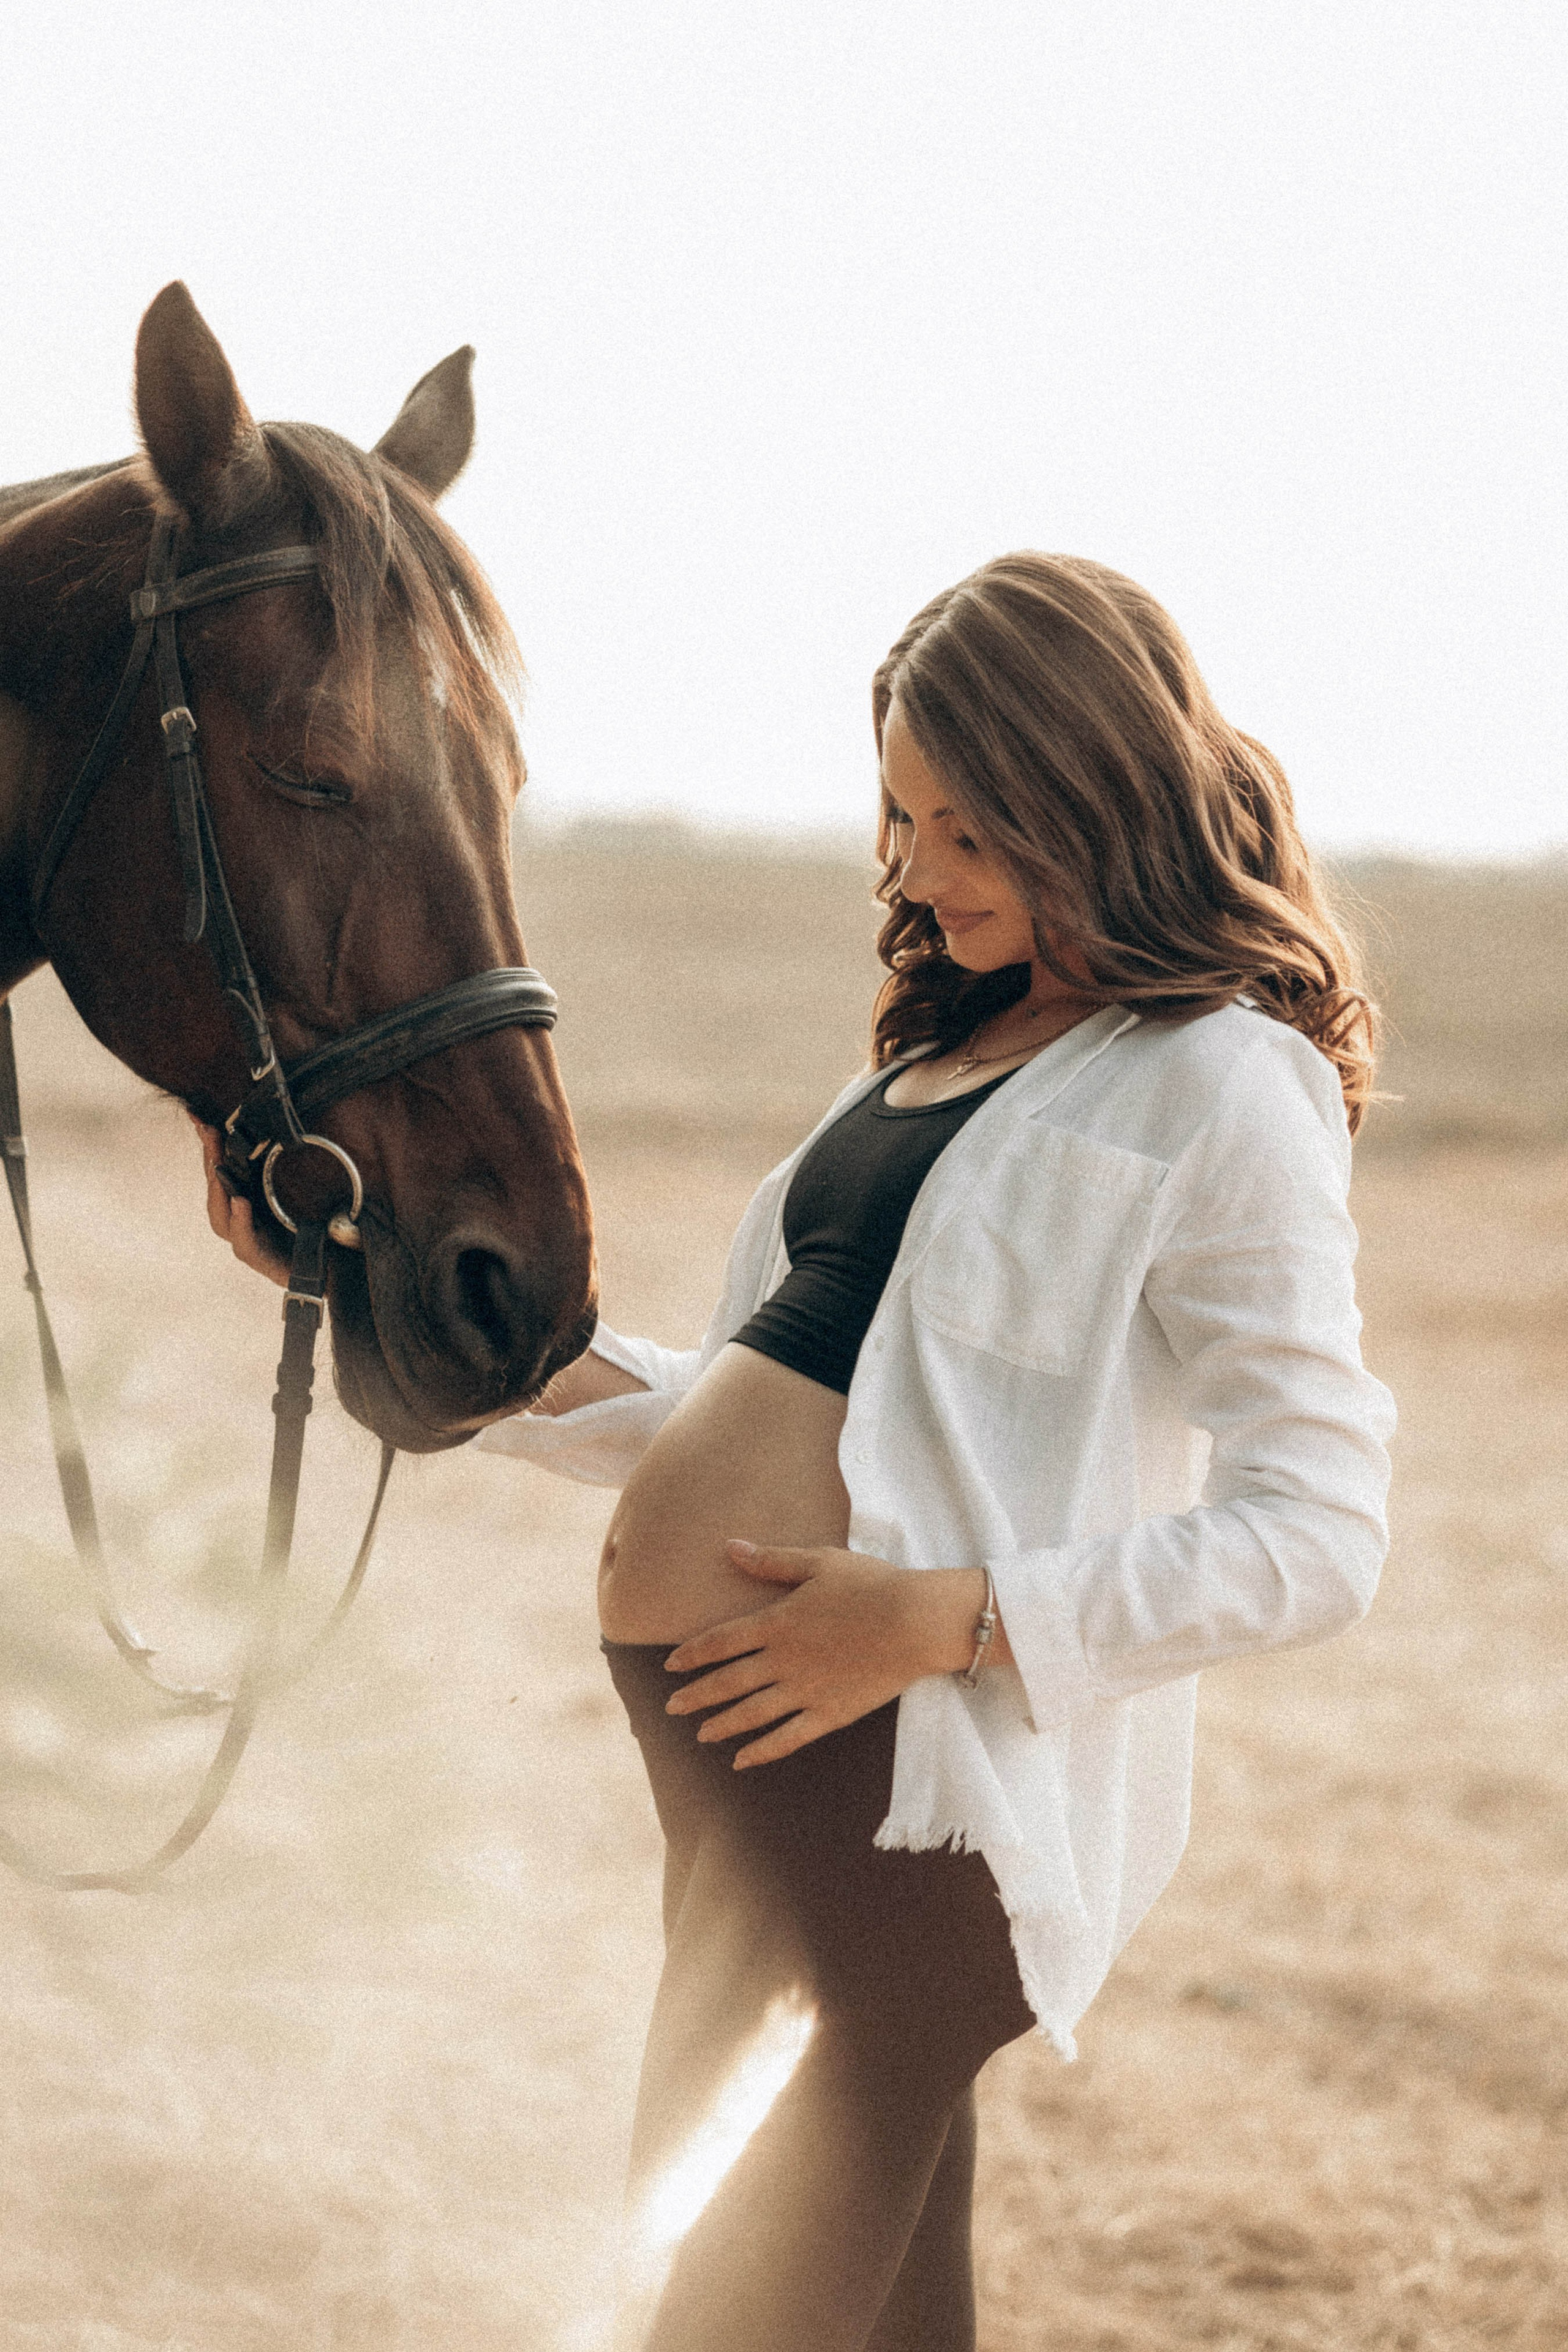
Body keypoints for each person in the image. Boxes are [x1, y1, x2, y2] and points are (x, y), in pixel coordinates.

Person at [204, 551, 1395, 2352]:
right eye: (902, 821)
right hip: (749, 1797)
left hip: (898, 1807)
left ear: (1100, 799)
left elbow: (1317, 1533)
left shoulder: (1218, 1081)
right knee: (879, 2316)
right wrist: (369, 1286)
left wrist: (944, 1620)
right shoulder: (926, 1070)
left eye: (972, 831)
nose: (917, 873)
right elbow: (756, 1412)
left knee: (718, 2309)